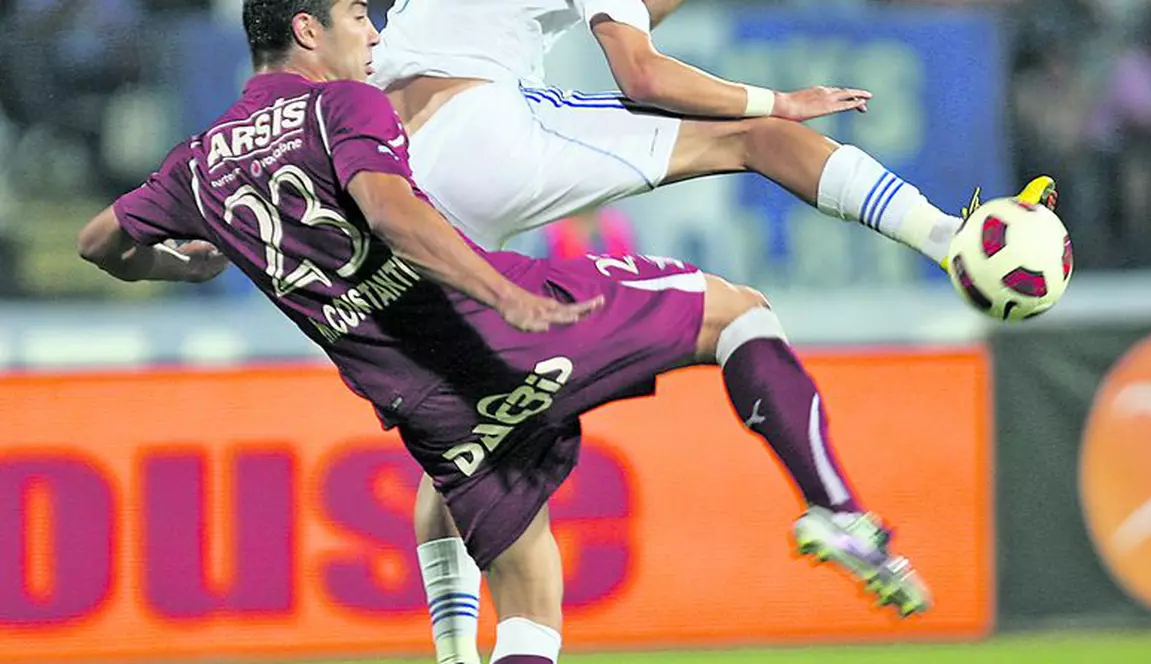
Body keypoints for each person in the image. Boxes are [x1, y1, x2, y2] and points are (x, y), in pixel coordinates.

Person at [77, 2, 938, 662]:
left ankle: (454, 651)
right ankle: (837, 512)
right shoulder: (344, 105)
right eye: (352, 16)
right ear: (307, 29)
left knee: (529, 598)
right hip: (497, 323)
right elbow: (394, 211)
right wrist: (505, 294)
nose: (372, 32)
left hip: (426, 402)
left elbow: (101, 244)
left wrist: (181, 267)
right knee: (739, 311)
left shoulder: (198, 161)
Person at [371, 1, 1057, 659]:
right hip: (480, 130)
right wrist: (777, 101)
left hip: (395, 178)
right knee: (758, 138)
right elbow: (641, 72)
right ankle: (949, 242)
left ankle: (454, 654)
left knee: (469, 437)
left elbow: (634, 14)